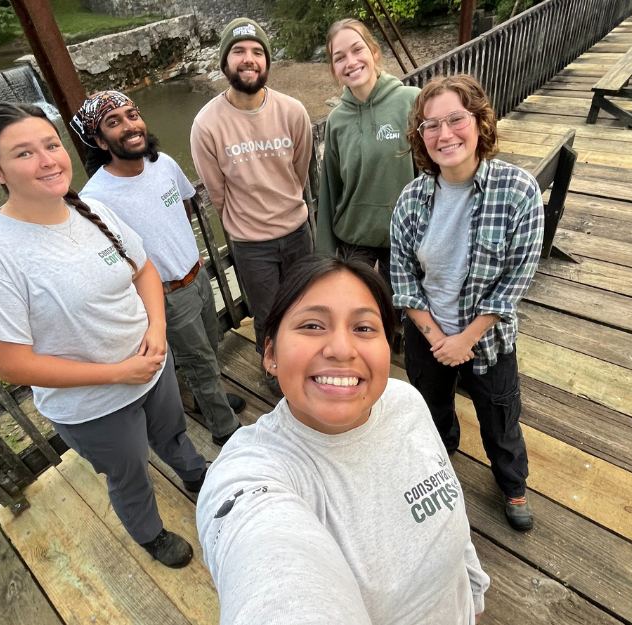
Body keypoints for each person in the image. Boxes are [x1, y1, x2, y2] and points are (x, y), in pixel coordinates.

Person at [0, 102, 207, 569]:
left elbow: (144, 269)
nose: (48, 160)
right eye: (24, 153)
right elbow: (11, 363)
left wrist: (157, 329)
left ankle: (194, 474)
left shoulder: (92, 209)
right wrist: (115, 372)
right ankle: (151, 534)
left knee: (172, 432)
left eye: (51, 145)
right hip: (93, 405)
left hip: (150, 364)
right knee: (130, 472)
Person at [197, 254, 490, 624]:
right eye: (313, 325)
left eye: (365, 328)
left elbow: (455, 525)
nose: (341, 349)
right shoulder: (253, 473)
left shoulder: (406, 402)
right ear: (270, 353)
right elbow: (266, 562)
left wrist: (475, 598)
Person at [390, 75, 544, 532]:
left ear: (479, 122)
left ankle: (512, 483)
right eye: (430, 125)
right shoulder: (412, 199)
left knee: (500, 417)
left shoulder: (518, 191)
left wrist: (467, 339)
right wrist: (440, 339)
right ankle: (441, 461)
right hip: (429, 337)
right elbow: (403, 278)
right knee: (430, 412)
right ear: (421, 138)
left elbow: (516, 277)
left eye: (455, 119)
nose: (444, 134)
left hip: (489, 340)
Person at [72, 90, 245, 448]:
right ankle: (225, 429)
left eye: (132, 114)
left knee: (210, 348)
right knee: (198, 361)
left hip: (197, 276)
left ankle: (206, 400)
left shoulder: (163, 163)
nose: (129, 125)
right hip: (165, 293)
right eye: (113, 121)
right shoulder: (96, 198)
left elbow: (181, 206)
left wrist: (186, 253)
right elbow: (108, 258)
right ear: (100, 140)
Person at [190, 17, 314, 396]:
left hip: (297, 232)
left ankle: (307, 359)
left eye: (257, 52)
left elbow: (300, 169)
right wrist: (249, 222)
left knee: (305, 304)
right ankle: (274, 370)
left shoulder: (293, 112)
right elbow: (216, 191)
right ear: (225, 61)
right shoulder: (206, 125)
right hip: (250, 243)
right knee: (267, 314)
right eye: (239, 51)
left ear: (266, 61)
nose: (249, 59)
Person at [316, 18, 420, 286]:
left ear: (374, 52)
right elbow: (330, 189)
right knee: (356, 310)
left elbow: (431, 171)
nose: (350, 62)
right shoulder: (337, 121)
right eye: (339, 58)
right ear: (334, 69)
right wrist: (324, 255)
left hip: (404, 234)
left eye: (357, 50)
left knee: (396, 314)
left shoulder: (411, 101)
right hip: (354, 236)